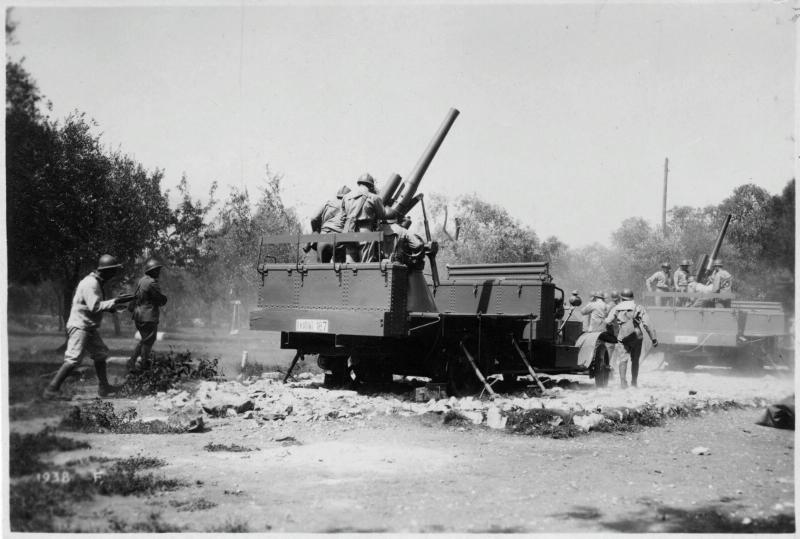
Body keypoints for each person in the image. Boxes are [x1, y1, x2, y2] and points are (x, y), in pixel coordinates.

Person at [43, 255, 133, 399]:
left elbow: (91, 305)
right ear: (105, 270)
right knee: (73, 359)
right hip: (80, 326)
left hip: (87, 326)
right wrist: (115, 301)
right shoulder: (91, 283)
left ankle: (104, 388)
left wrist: (114, 306)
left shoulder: (95, 282)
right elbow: (95, 306)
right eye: (113, 271)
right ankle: (51, 389)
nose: (114, 274)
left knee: (100, 353)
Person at [604, 288, 657, 388]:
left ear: (622, 298)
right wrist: (653, 339)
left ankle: (623, 383)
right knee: (635, 360)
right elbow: (647, 324)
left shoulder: (617, 307)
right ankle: (634, 382)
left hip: (623, 336)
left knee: (623, 359)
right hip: (637, 335)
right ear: (632, 297)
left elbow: (608, 321)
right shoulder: (638, 307)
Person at [127, 257, 168, 371]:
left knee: (145, 340)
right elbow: (159, 298)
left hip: (139, 315)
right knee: (149, 341)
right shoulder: (152, 283)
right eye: (157, 270)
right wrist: (164, 299)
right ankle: (143, 365)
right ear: (152, 271)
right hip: (147, 316)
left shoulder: (142, 280)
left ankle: (132, 362)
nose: (159, 272)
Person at [338, 173, 386, 262]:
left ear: (359, 183)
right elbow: (382, 215)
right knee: (366, 263)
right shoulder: (374, 197)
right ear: (371, 186)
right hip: (365, 231)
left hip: (349, 231)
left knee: (350, 263)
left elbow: (342, 217)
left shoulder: (346, 197)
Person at [311, 185, 350, 263]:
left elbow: (313, 218)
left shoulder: (328, 203)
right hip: (339, 240)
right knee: (339, 268)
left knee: (321, 268)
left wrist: (316, 231)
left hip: (323, 238)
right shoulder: (349, 205)